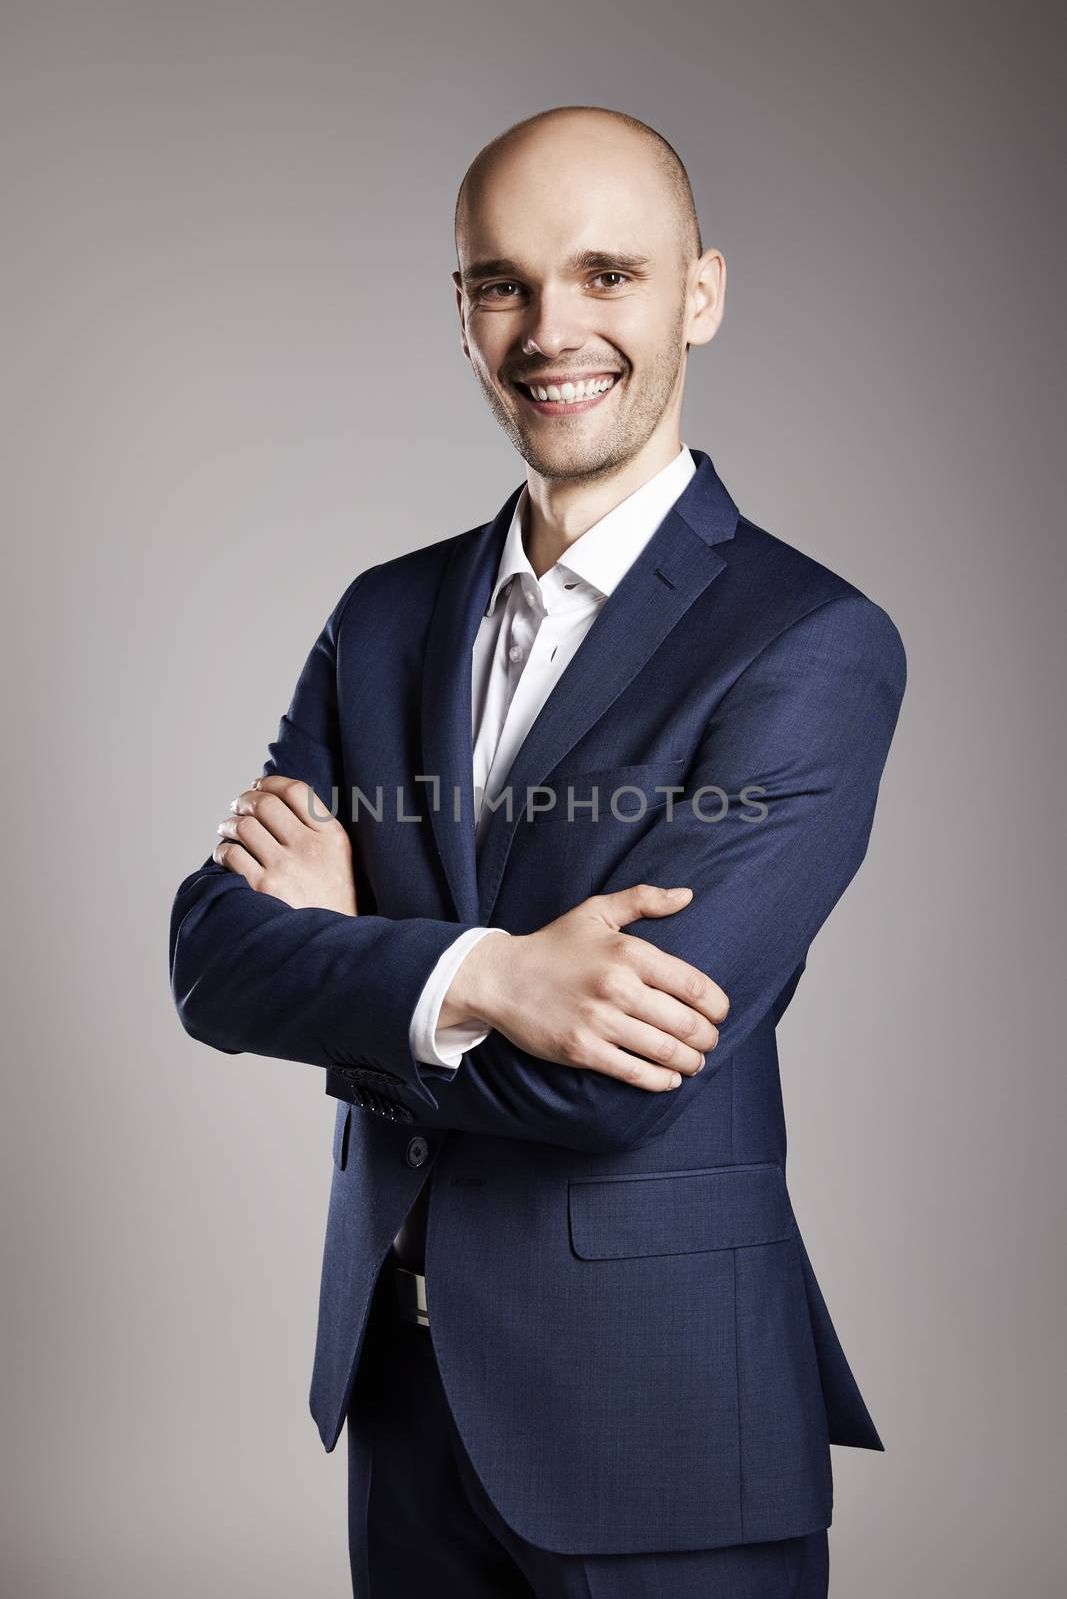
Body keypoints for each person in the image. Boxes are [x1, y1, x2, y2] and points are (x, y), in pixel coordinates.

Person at [169, 104, 907, 1598]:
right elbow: (211, 960)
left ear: (700, 292)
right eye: (502, 283)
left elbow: (608, 1075)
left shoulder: (810, 644)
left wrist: (358, 965)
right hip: (406, 1405)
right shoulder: (381, 616)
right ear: (461, 313)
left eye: (607, 276)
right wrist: (495, 976)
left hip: (667, 1421)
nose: (551, 328)